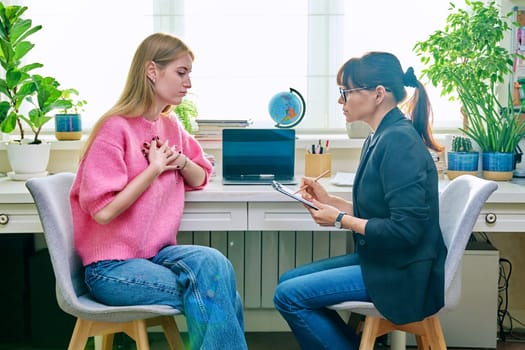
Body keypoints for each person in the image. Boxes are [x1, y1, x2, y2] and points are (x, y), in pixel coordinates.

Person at [69, 33, 247, 350]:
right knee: (218, 292)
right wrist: (153, 170)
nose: (189, 83)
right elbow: (103, 211)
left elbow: (200, 174)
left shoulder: (170, 124)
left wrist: (178, 161)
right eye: (181, 72)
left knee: (214, 263)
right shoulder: (115, 128)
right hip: (111, 269)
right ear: (152, 71)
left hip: (155, 256)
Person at [273, 51, 447, 349]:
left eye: (346, 93)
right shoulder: (379, 135)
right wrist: (330, 201)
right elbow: (380, 212)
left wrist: (340, 220)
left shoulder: (398, 141)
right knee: (289, 280)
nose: (340, 101)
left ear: (379, 94)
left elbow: (405, 230)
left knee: (288, 295)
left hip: (402, 273)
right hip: (385, 260)